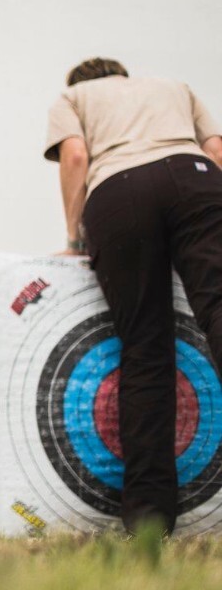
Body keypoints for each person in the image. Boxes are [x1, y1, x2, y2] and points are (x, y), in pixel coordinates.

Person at [45, 58, 222, 535]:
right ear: (123, 75)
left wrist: (74, 238)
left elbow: (76, 157)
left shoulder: (73, 97)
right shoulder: (174, 84)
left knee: (146, 350)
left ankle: (149, 521)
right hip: (196, 176)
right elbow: (216, 149)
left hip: (119, 191)